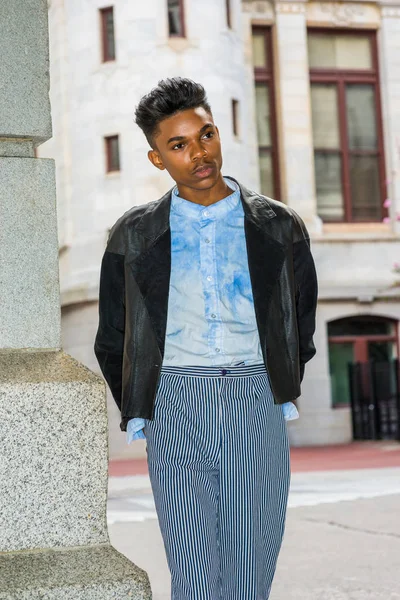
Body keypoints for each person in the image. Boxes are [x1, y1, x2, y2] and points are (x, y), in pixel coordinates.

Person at [94, 77, 318, 599]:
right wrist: (142, 402)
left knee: (246, 564)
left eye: (206, 135)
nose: (199, 153)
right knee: (191, 566)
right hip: (174, 401)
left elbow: (299, 323)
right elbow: (113, 336)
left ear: (218, 133)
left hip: (251, 395)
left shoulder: (279, 225)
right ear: (157, 159)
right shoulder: (133, 233)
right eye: (179, 145)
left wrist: (275, 383)